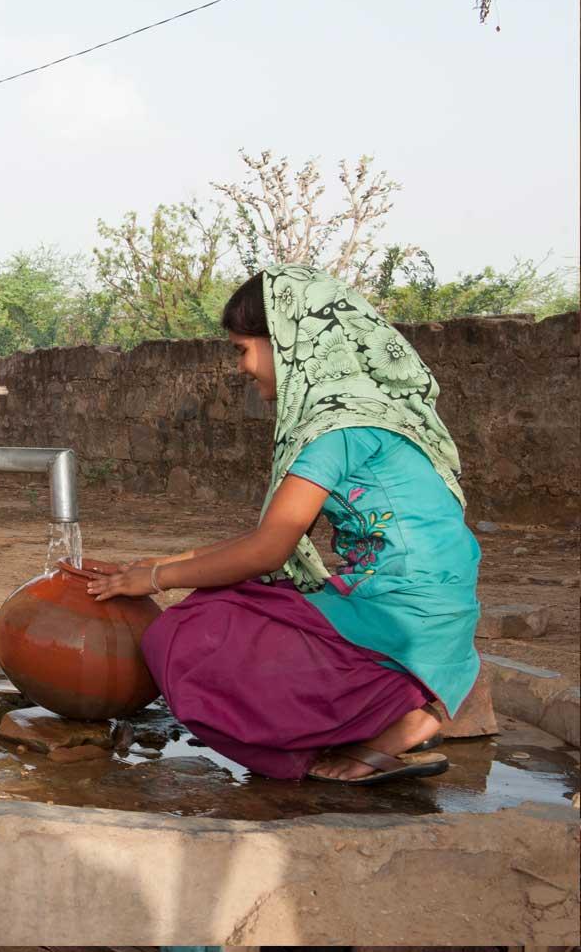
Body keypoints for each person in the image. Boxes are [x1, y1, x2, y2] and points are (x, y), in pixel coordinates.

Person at [88, 265, 480, 785]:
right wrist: (159, 565)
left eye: (243, 349)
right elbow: (270, 537)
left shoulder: (335, 429)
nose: (243, 367)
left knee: (183, 638)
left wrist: (157, 579)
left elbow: (269, 550)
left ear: (291, 343)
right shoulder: (367, 411)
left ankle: (397, 720)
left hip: (404, 625)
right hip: (424, 616)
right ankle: (401, 702)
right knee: (219, 605)